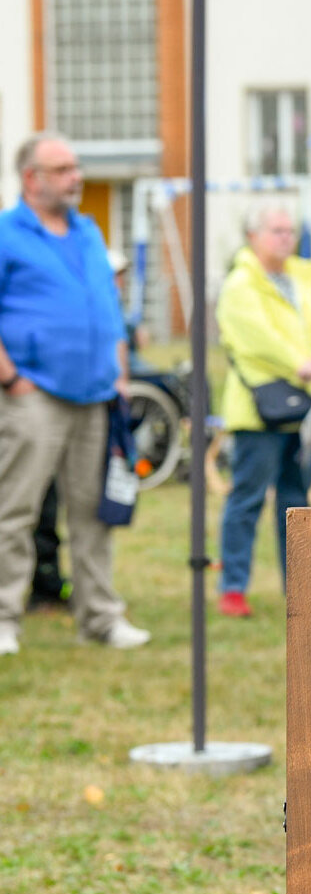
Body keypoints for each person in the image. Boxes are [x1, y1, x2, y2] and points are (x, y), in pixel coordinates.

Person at [0, 132, 150, 654]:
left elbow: (107, 308)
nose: (76, 176)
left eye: (75, 167)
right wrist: (11, 377)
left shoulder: (87, 232)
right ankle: (4, 618)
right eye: (63, 169)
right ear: (31, 178)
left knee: (93, 513)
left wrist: (120, 374)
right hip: (33, 392)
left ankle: (101, 618)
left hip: (95, 394)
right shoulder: (6, 234)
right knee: (15, 508)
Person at [216, 202, 311, 618]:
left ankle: (301, 589)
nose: (285, 238)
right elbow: (257, 341)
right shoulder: (240, 284)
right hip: (259, 412)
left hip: (306, 409)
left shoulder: (302, 281)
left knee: (297, 501)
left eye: (290, 231)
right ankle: (233, 587)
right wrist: (304, 366)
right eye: (276, 230)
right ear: (253, 236)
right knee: (247, 496)